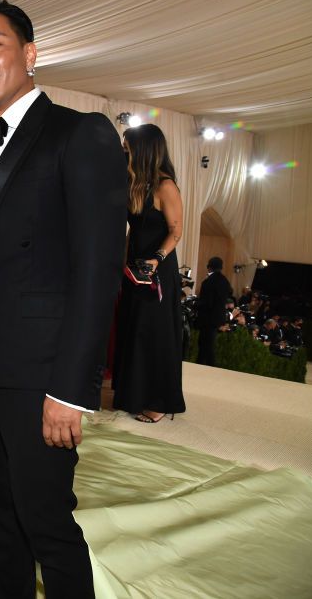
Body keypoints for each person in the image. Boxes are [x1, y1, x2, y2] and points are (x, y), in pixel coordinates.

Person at [0, 0, 127, 598]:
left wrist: (70, 389)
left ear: (29, 52)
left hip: (41, 372)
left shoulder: (81, 134)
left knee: (46, 521)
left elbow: (97, 270)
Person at [113, 123, 186, 423]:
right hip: (134, 269)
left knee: (154, 334)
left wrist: (155, 259)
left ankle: (158, 402)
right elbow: (136, 229)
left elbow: (176, 230)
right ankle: (133, 395)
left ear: (143, 150)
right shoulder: (136, 184)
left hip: (158, 270)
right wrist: (124, 259)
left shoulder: (165, 186)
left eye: (127, 147)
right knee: (133, 330)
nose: (123, 151)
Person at [196, 256, 232, 367]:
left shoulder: (208, 282)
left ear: (209, 267)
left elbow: (206, 302)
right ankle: (201, 363)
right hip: (218, 316)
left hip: (207, 316)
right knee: (209, 342)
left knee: (205, 343)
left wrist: (195, 304)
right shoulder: (225, 280)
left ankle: (207, 365)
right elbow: (230, 292)